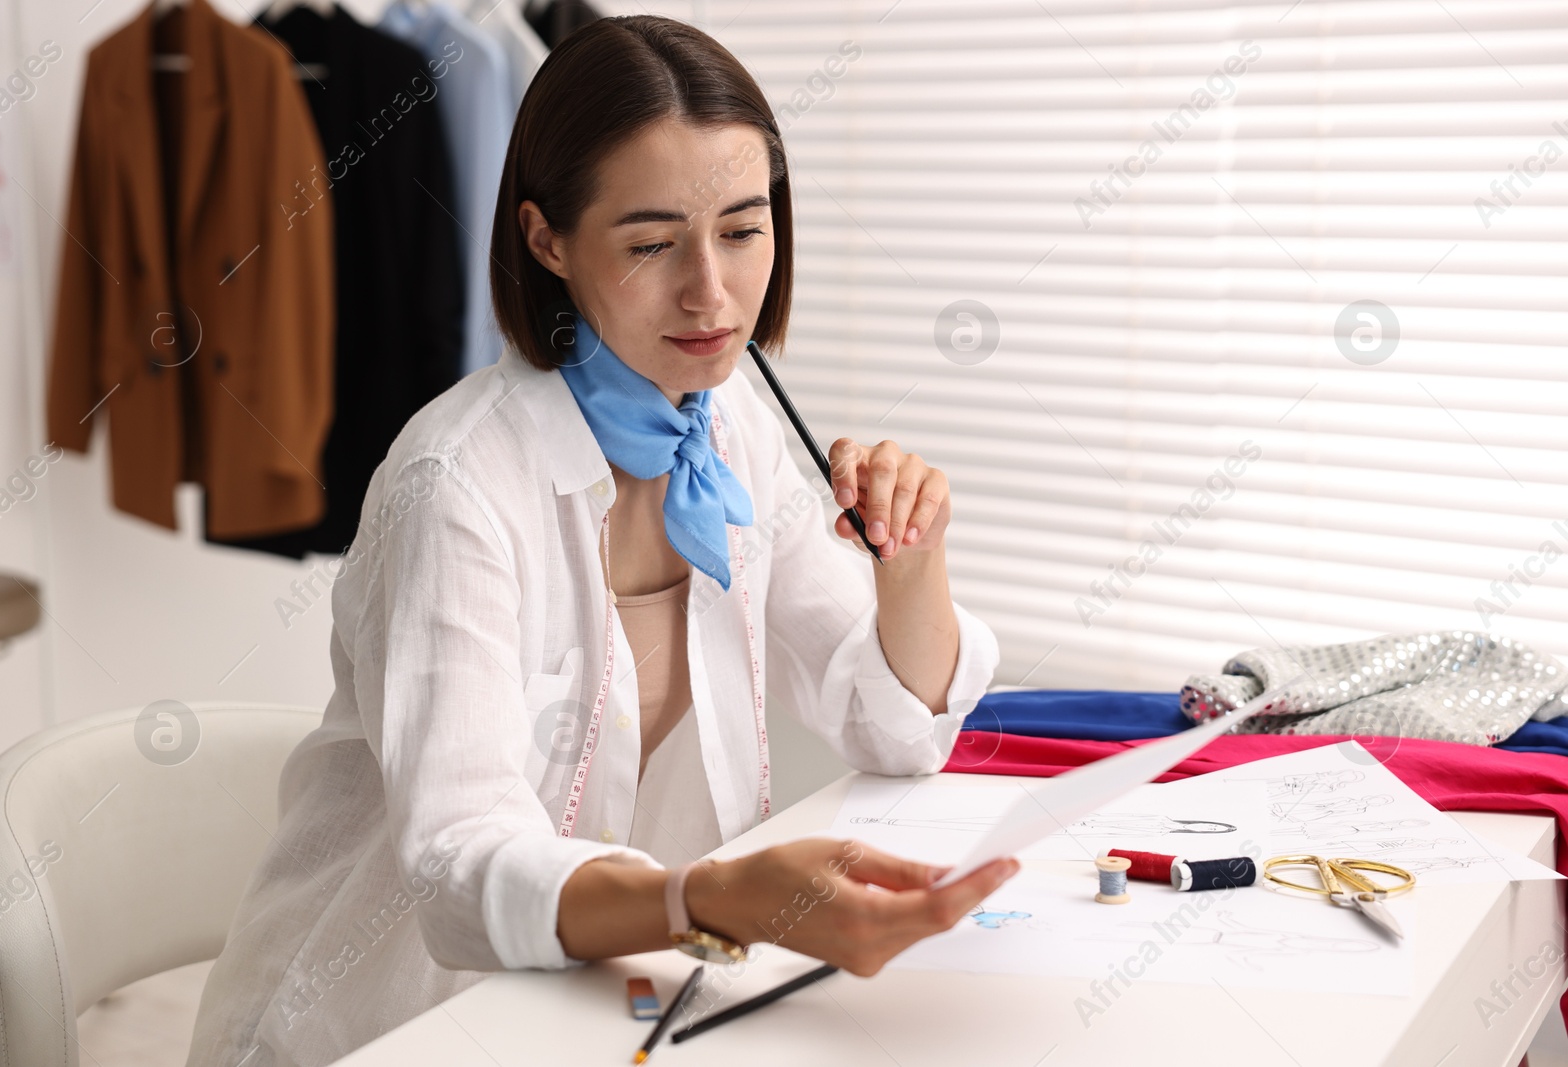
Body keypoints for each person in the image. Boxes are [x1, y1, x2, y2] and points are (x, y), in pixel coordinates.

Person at [188, 15, 1013, 1064]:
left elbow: (892, 728)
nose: (712, 293)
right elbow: (461, 868)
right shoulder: (458, 481)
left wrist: (916, 556)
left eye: (743, 229)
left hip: (612, 1006)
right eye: (651, 242)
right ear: (546, 239)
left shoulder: (733, 428)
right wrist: (704, 895)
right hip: (389, 1027)